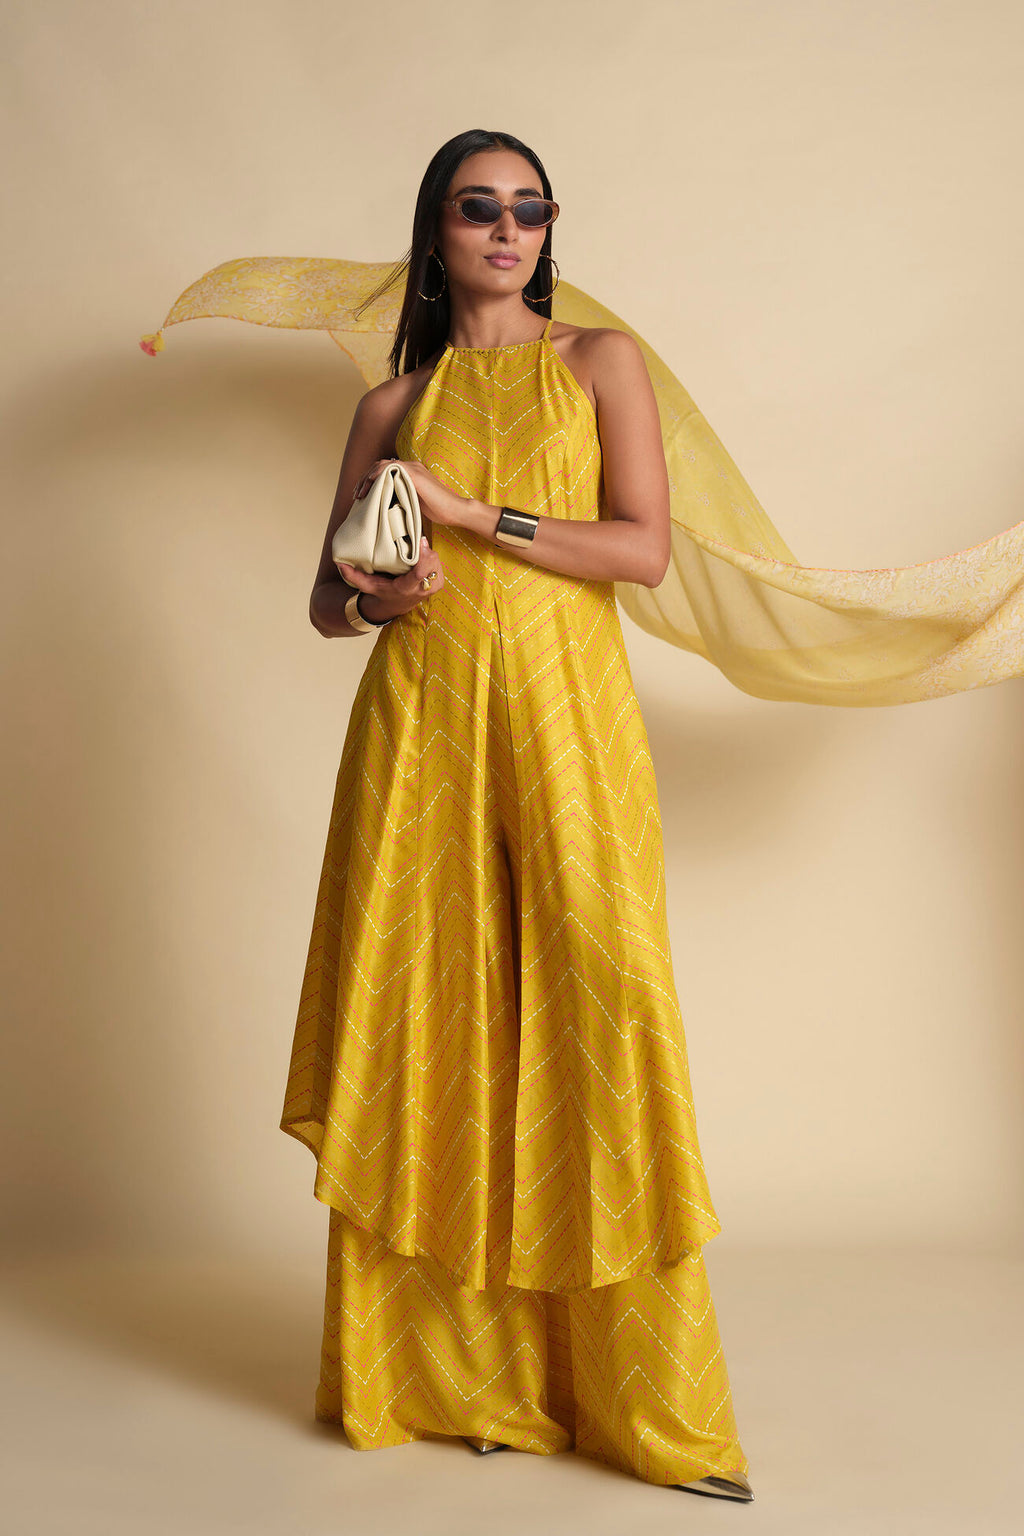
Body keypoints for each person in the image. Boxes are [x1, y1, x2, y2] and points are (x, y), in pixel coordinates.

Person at [140, 127, 1024, 1506]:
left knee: (595, 1000)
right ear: (432, 231)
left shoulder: (599, 365)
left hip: (568, 716)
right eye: (477, 208)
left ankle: (640, 1400)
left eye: (528, 209)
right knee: (438, 1019)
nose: (506, 229)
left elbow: (642, 549)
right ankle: (459, 1379)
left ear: (553, 231)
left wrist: (470, 510)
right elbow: (330, 601)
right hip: (423, 721)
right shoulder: (389, 406)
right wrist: (384, 590)